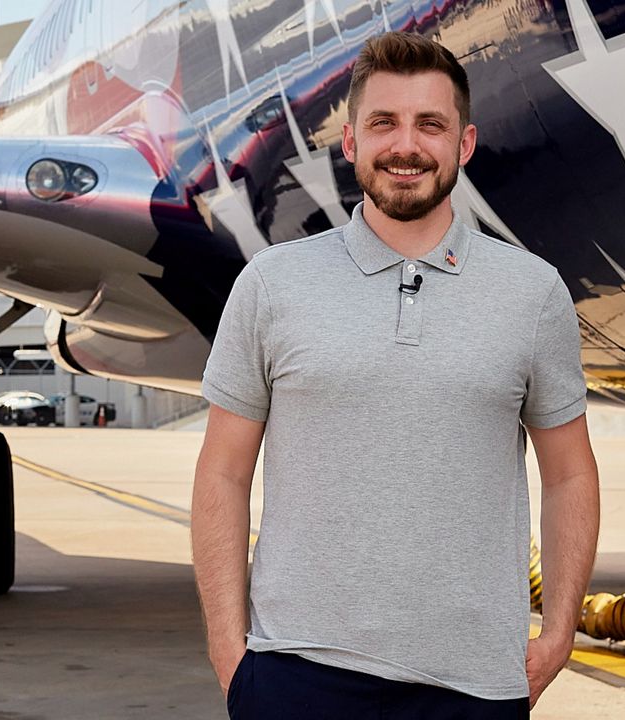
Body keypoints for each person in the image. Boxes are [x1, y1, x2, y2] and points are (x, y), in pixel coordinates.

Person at [191, 31, 599, 719]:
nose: (405, 146)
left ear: (464, 144)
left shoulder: (533, 294)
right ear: (348, 141)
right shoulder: (271, 285)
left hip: (473, 688)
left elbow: (570, 473)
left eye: (429, 125)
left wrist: (558, 634)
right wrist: (230, 653)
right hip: (297, 675)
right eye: (383, 123)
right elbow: (222, 473)